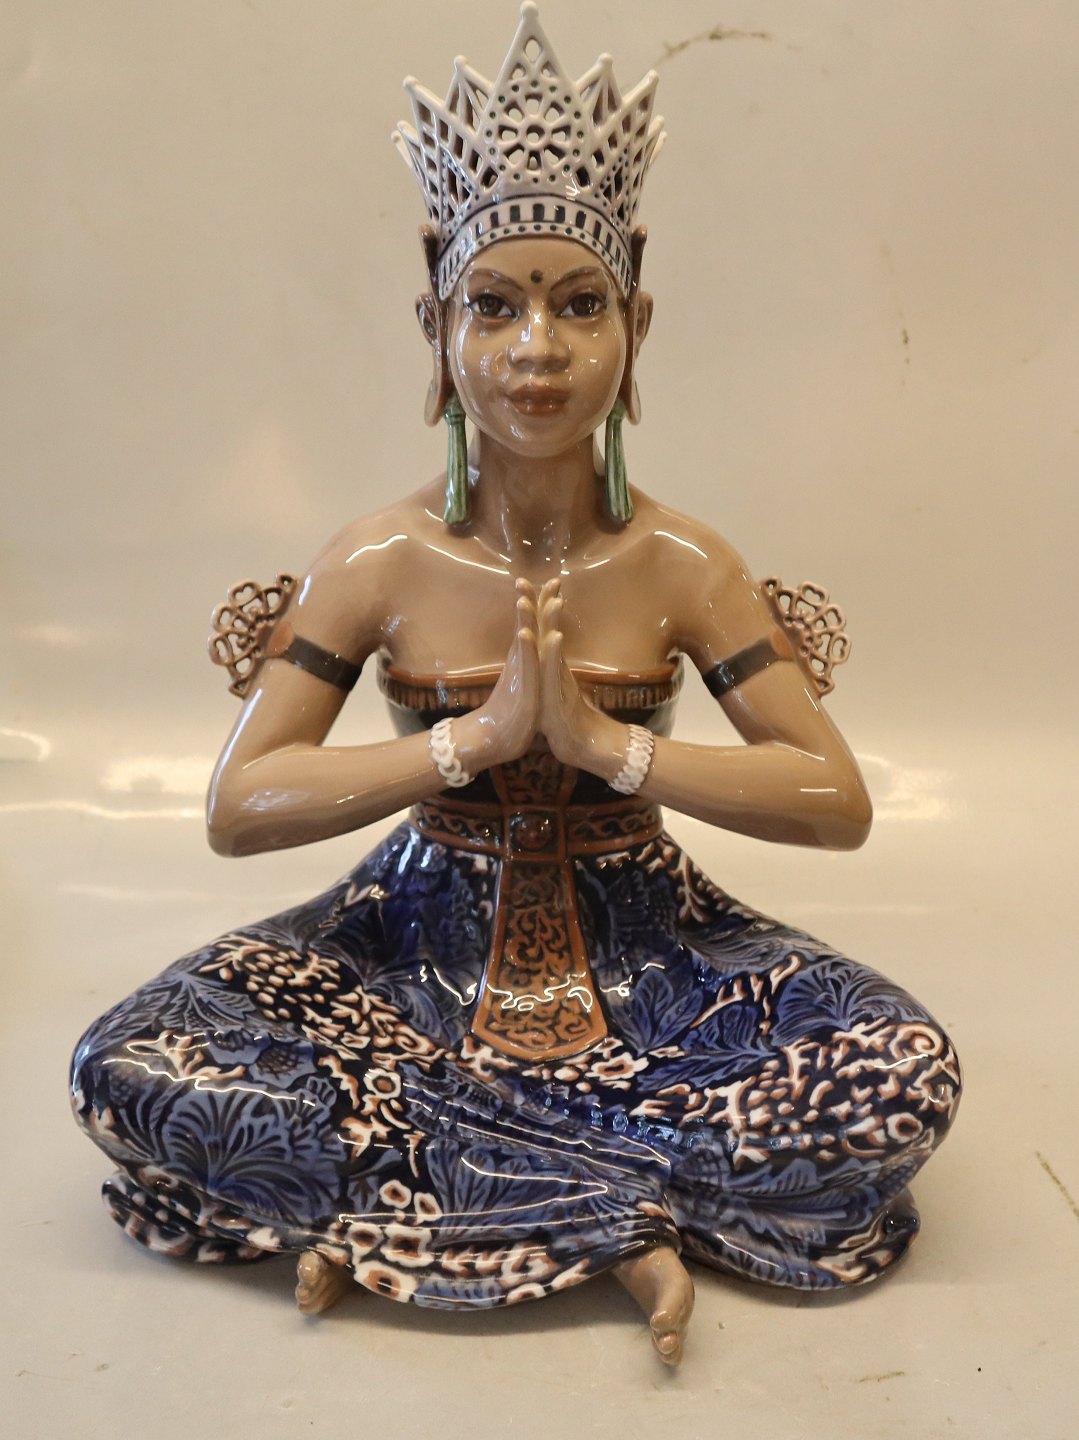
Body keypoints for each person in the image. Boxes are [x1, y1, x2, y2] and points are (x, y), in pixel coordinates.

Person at [70, 5, 960, 1367]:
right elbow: (241, 806)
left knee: (901, 1071)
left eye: (577, 304)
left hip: (659, 966)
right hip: (404, 954)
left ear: (636, 324)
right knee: (129, 1060)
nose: (535, 348)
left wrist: (613, 749)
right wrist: (465, 745)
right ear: (436, 326)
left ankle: (423, 1187)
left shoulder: (683, 564)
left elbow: (833, 799)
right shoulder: (377, 561)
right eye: (494, 305)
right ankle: (612, 1202)